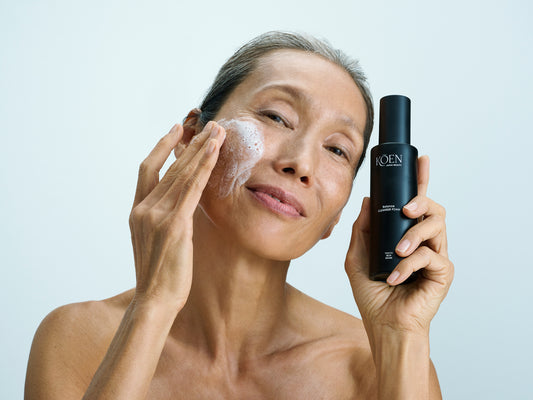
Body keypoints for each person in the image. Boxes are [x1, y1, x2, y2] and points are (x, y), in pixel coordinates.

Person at [25, 31, 454, 399]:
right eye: (276, 117)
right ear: (191, 136)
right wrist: (152, 305)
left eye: (337, 149)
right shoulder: (77, 339)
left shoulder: (377, 365)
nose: (301, 163)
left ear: (337, 215)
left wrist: (401, 338)